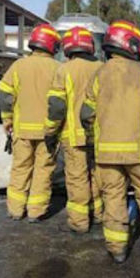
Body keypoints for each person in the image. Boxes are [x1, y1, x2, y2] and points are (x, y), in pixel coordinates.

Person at [81, 20, 140, 263]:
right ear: (130, 44)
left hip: (106, 155)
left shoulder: (98, 75)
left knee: (113, 199)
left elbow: (86, 114)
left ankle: (117, 249)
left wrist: (94, 140)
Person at [0, 24, 61, 222]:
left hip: (22, 130)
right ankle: (36, 211)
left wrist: (7, 119)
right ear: (52, 45)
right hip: (47, 133)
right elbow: (61, 103)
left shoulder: (18, 66)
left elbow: (5, 93)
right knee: (43, 171)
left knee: (20, 169)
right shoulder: (58, 69)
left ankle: (15, 210)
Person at [44, 26, 102, 233]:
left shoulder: (64, 70)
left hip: (74, 136)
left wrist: (50, 132)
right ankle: (98, 214)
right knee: (96, 175)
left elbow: (57, 107)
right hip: (99, 137)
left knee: (77, 179)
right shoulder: (102, 68)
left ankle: (79, 222)